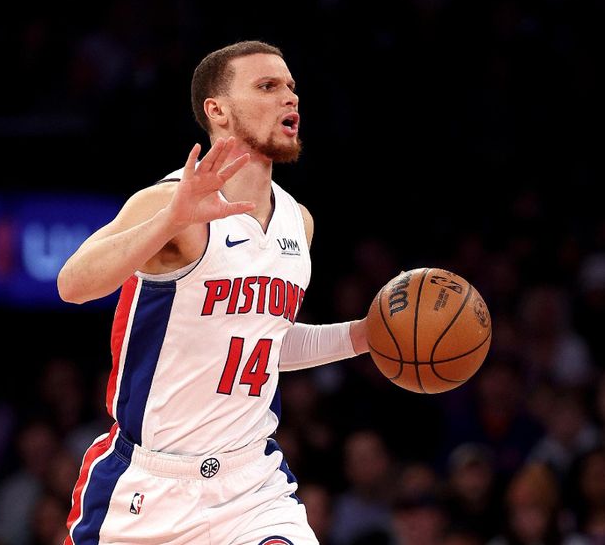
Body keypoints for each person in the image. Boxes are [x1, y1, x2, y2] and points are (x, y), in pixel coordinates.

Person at [57, 40, 371, 545]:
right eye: (267, 87)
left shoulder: (298, 222)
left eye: (291, 88)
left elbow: (260, 345)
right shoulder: (170, 199)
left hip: (251, 487)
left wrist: (360, 335)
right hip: (147, 488)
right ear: (216, 110)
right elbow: (72, 285)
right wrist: (169, 221)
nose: (289, 99)